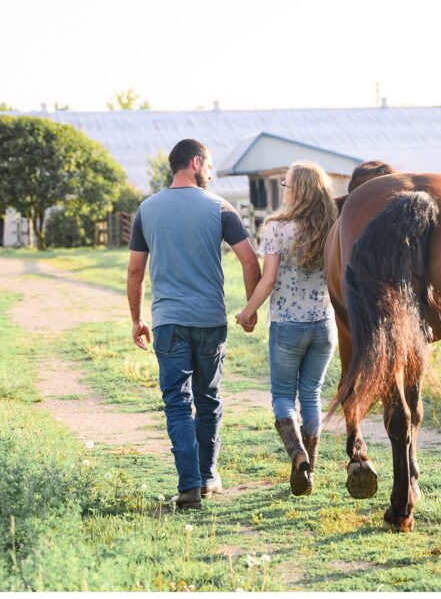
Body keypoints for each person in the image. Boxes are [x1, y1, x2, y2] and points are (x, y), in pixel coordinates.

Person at [128, 138, 262, 510]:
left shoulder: (147, 209)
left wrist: (137, 318)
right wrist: (250, 308)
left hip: (169, 321)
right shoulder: (220, 207)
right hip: (209, 320)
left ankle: (188, 486)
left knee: (176, 402)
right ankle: (207, 477)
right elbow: (250, 262)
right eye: (210, 165)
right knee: (208, 399)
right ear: (196, 162)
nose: (212, 172)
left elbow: (135, 270)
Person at [235, 161, 338, 496]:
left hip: (287, 326)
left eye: (285, 182)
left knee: (282, 396)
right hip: (324, 326)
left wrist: (247, 312)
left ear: (297, 189)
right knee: (311, 395)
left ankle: (298, 456)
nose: (283, 188)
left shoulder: (277, 228)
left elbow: (268, 280)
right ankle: (310, 469)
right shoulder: (332, 226)